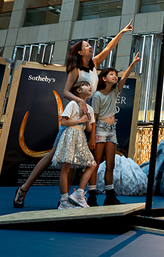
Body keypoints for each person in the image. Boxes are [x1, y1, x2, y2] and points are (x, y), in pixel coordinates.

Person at [13, 20, 134, 208]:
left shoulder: (94, 64)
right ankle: (24, 188)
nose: (90, 47)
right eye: (86, 45)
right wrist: (80, 101)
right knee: (53, 155)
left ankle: (66, 199)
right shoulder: (75, 70)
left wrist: (123, 31)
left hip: (86, 116)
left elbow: (109, 48)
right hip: (75, 113)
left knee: (73, 160)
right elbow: (65, 92)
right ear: (80, 52)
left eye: (90, 45)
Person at [88, 53, 141, 206]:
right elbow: (94, 117)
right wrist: (92, 137)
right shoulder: (97, 96)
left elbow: (125, 77)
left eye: (115, 74)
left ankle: (109, 196)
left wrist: (132, 64)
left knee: (110, 164)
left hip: (112, 130)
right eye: (111, 74)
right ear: (104, 78)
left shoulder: (114, 92)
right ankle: (92, 196)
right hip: (100, 129)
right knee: (96, 162)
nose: (115, 76)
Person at [52, 81, 97, 209]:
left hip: (81, 137)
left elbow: (89, 129)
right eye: (86, 85)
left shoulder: (90, 108)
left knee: (92, 164)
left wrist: (87, 120)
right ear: (78, 90)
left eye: (89, 85)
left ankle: (79, 193)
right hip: (70, 135)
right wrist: (80, 120)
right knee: (65, 167)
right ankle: (64, 200)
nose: (89, 87)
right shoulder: (72, 104)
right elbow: (63, 122)